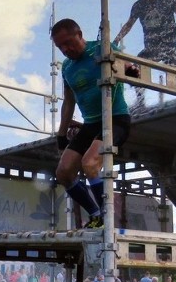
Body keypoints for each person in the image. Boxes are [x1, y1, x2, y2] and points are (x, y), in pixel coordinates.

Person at [52, 18, 132, 229]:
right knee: (63, 172)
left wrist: (125, 69)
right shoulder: (67, 67)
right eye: (60, 47)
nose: (65, 49)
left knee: (90, 163)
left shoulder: (103, 48)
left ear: (80, 34)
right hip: (90, 124)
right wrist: (61, 136)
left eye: (69, 42)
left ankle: (108, 217)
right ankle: (96, 215)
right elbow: (68, 103)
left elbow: (132, 70)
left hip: (116, 118)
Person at [113, 0, 176, 94]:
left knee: (172, 79)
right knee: (133, 72)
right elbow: (129, 24)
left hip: (168, 44)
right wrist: (117, 39)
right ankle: (139, 97)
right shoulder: (138, 6)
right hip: (151, 47)